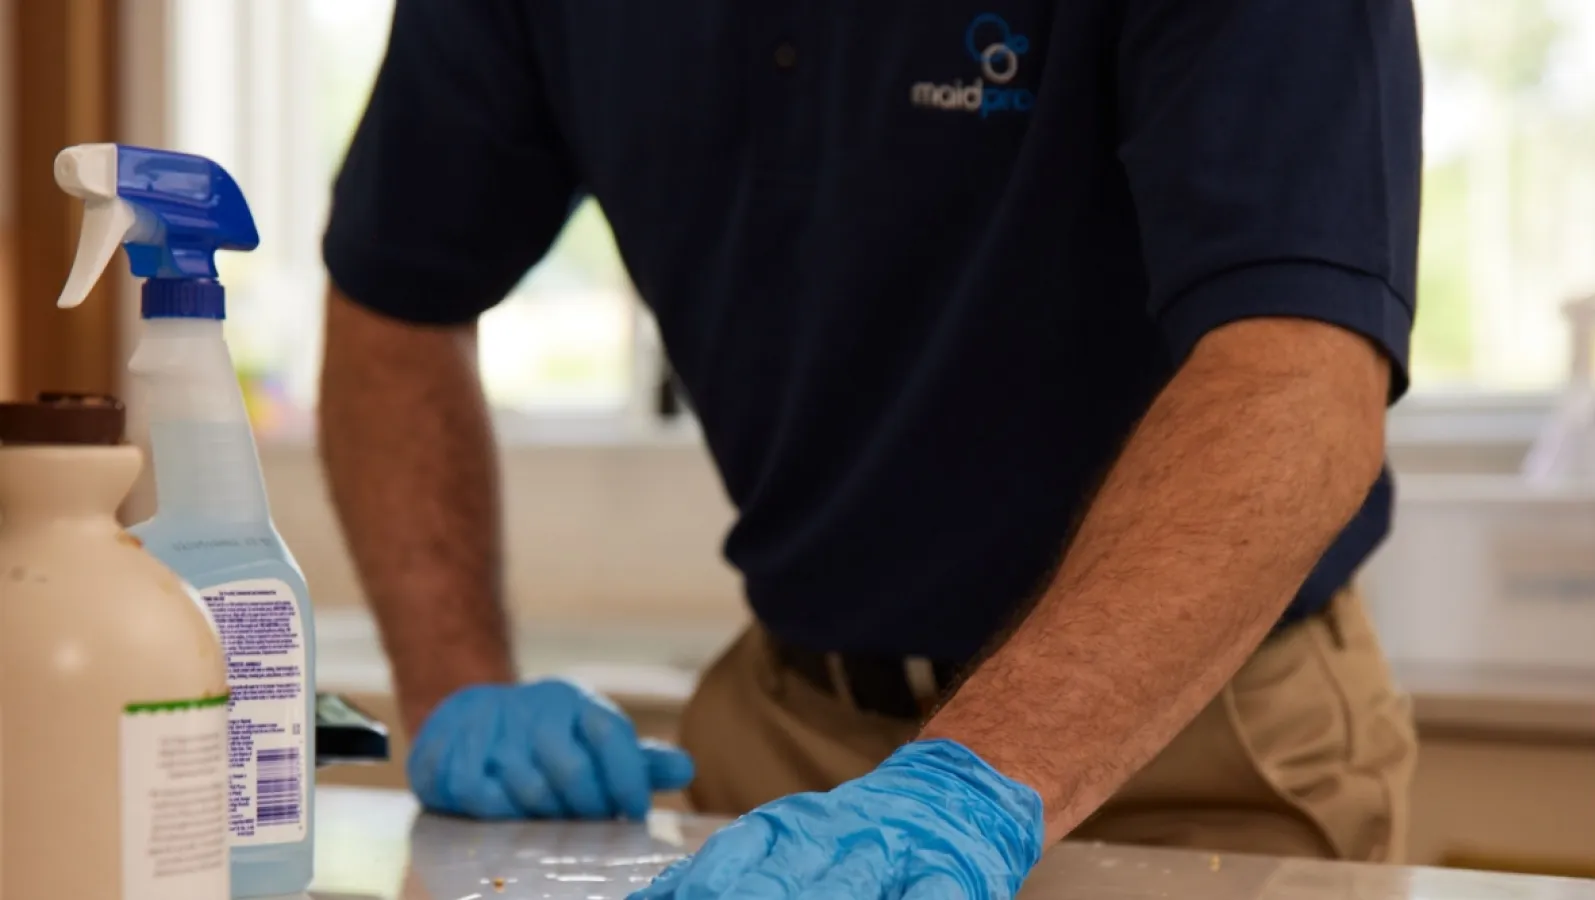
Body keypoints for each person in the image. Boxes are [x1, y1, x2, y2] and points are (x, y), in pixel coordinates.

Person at [317, 0, 1423, 896]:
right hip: (779, 741)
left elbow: (1300, 374)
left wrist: (974, 786)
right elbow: (394, 302)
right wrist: (453, 691)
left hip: (1186, 740)